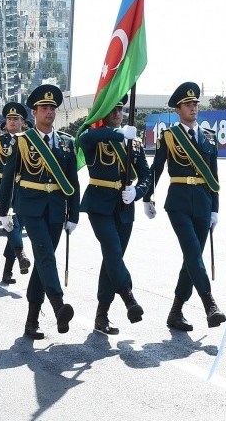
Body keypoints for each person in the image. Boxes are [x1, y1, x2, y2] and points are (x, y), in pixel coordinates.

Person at [0, 84, 80, 340]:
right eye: (44, 108)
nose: (49, 112)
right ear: (34, 112)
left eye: (52, 108)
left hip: (56, 208)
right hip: (30, 207)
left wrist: (73, 215)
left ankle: (31, 320)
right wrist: (3, 211)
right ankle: (58, 305)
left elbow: (73, 181)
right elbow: (8, 178)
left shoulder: (66, 143)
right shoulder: (22, 141)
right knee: (45, 254)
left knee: (44, 263)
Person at [143, 82, 226, 333]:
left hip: (203, 202)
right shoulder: (169, 136)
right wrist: (147, 197)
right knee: (192, 251)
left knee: (192, 258)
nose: (193, 108)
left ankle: (175, 311)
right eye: (188, 105)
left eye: (195, 104)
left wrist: (215, 208)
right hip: (178, 202)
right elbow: (156, 169)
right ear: (177, 109)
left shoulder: (209, 136)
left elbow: (213, 175)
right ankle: (209, 303)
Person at [78, 94, 152, 335]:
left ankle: (101, 315)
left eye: (120, 109)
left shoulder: (134, 142)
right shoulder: (95, 137)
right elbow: (85, 138)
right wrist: (120, 134)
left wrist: (137, 192)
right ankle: (129, 297)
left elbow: (146, 175)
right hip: (99, 203)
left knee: (113, 258)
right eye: (113, 110)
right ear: (103, 112)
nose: (118, 114)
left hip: (124, 205)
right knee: (112, 250)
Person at [0, 102, 32, 283]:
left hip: (23, 189)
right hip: (2, 188)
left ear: (23, 122)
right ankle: (21, 253)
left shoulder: (29, 140)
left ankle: (7, 271)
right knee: (12, 224)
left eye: (16, 118)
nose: (12, 121)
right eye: (9, 119)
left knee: (16, 227)